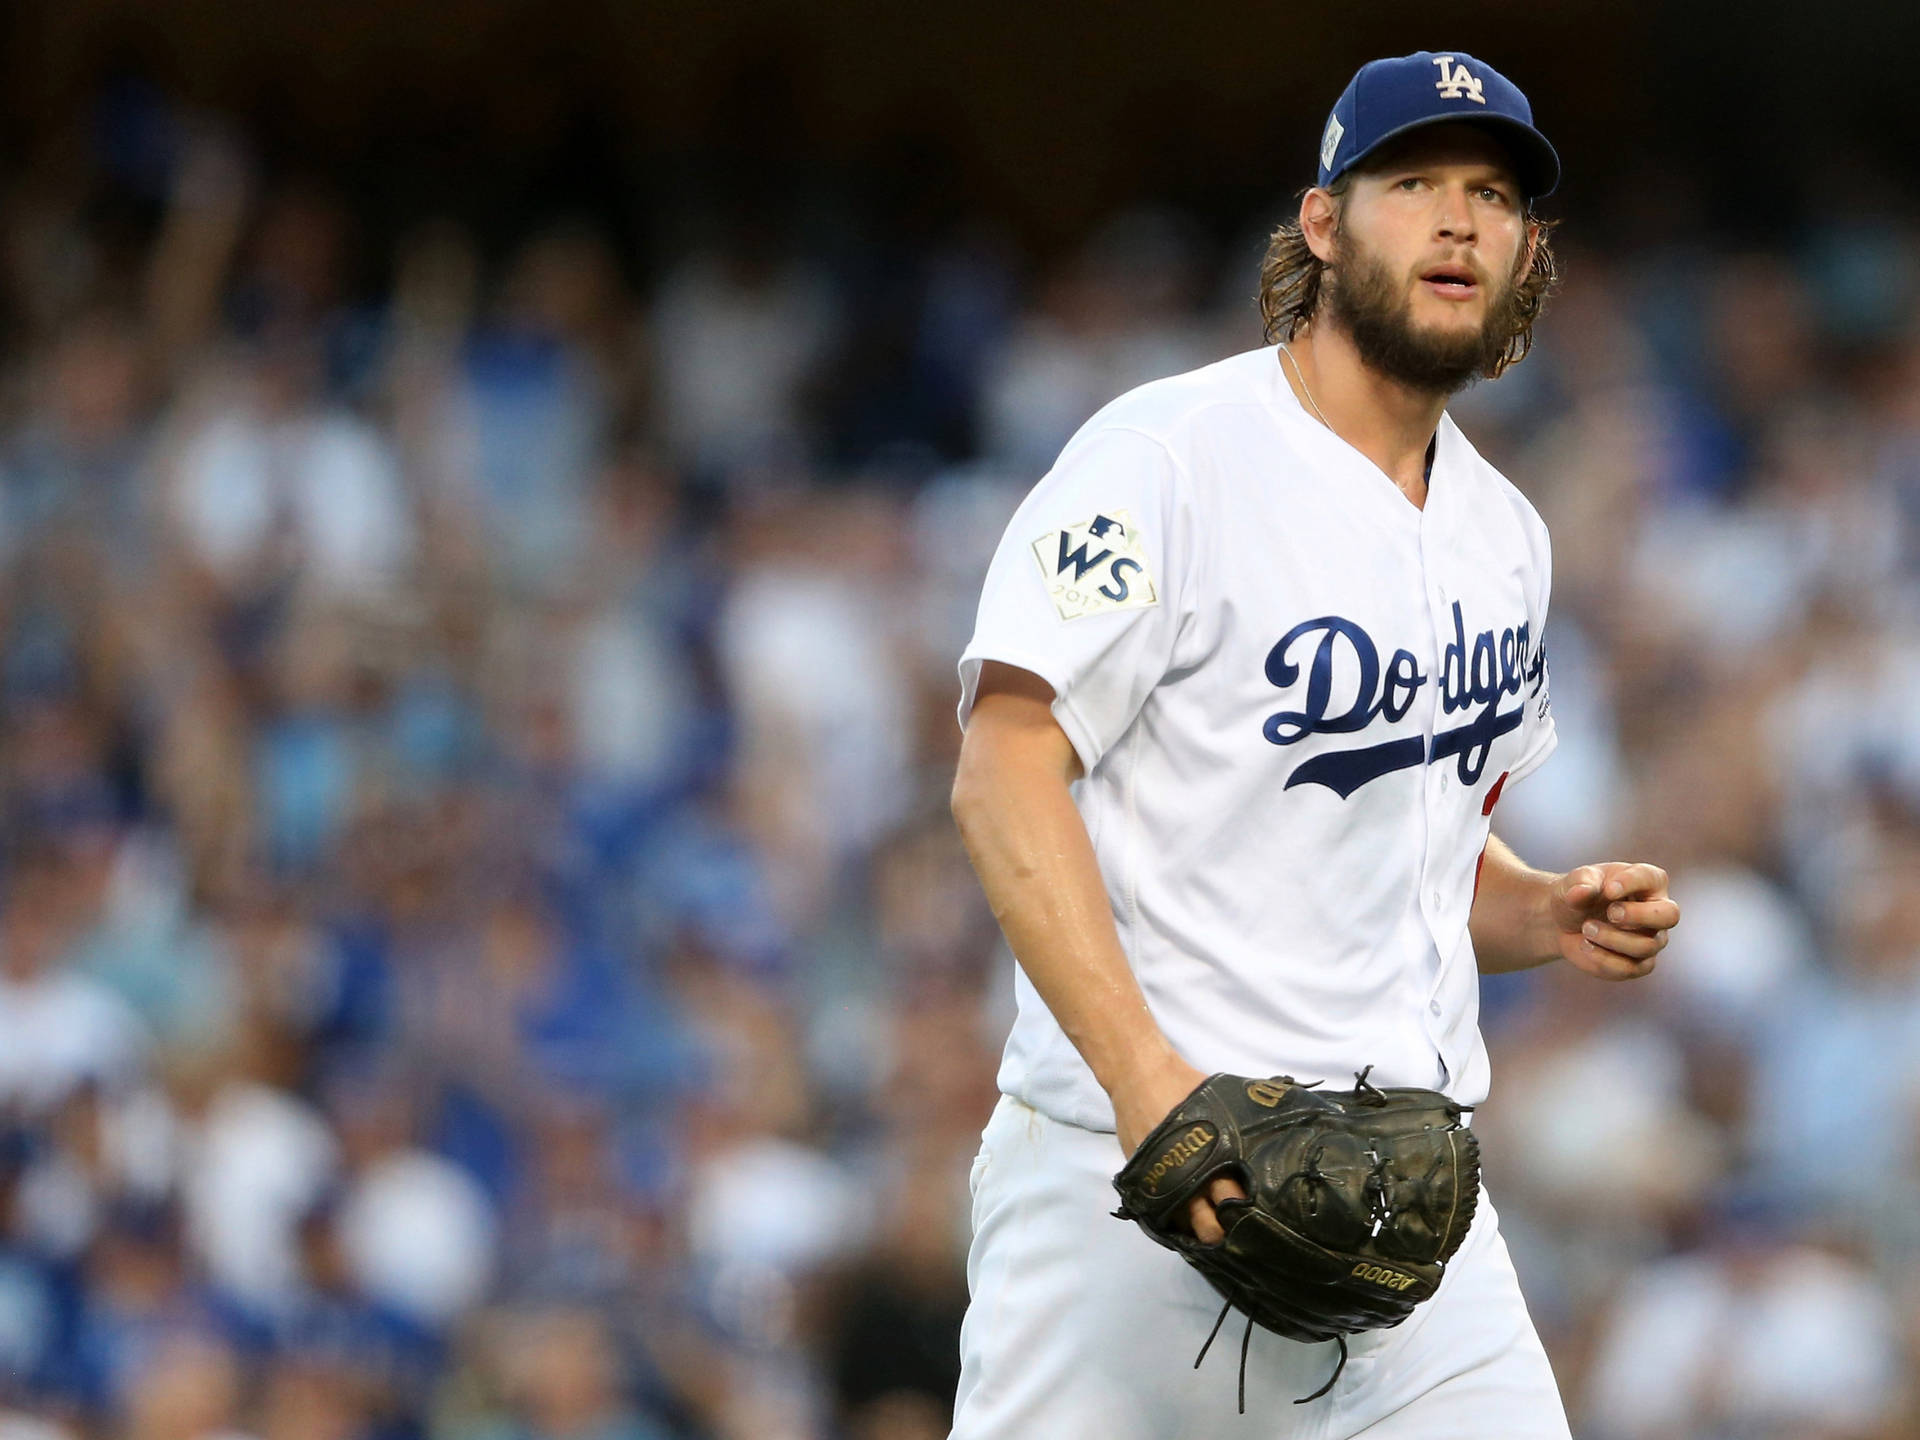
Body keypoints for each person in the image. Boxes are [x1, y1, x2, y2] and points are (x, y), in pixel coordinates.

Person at [946, 50, 1681, 1438]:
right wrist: (1146, 1088)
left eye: (1493, 195)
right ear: (1326, 225)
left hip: (1410, 1211)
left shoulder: (1505, 535)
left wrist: (1543, 908)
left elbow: (1413, 863)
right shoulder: (1168, 457)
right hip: (1133, 1198)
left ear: (1529, 252)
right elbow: (1003, 767)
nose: (1461, 219)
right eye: (1414, 183)